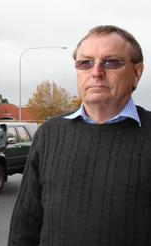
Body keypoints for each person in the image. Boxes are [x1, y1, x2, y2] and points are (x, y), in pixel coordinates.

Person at [8, 25, 151, 245]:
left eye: (111, 62)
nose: (96, 72)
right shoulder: (49, 135)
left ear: (137, 72)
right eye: (85, 63)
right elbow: (25, 225)